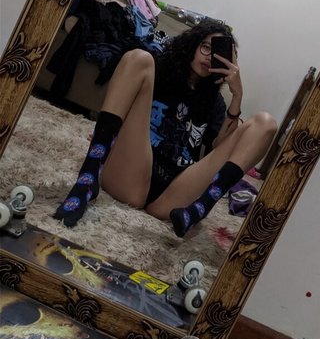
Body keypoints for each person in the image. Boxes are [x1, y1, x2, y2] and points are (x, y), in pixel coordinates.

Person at [54, 20, 277, 237]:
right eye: (205, 47)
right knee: (139, 58)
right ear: (193, 44)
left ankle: (201, 208)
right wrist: (108, 138)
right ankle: (87, 180)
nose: (209, 57)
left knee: (265, 123)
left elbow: (220, 148)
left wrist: (237, 95)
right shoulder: (158, 71)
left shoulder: (215, 103)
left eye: (217, 53)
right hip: (133, 172)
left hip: (174, 193)